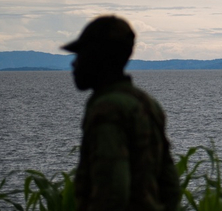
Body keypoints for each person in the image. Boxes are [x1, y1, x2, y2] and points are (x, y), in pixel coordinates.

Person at [63, 15, 181, 211]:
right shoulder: (148, 104)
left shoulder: (108, 110)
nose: (73, 64)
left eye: (79, 54)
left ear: (96, 56)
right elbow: (171, 186)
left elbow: (112, 192)